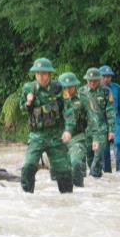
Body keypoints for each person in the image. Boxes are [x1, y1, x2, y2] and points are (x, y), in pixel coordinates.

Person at [20, 58, 73, 194]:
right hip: (36, 136)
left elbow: (69, 110)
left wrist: (68, 130)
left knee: (64, 172)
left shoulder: (58, 88)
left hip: (55, 136)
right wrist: (28, 103)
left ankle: (68, 203)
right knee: (27, 167)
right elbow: (22, 109)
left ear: (49, 74)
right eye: (38, 74)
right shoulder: (28, 88)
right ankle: (28, 199)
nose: (41, 77)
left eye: (44, 74)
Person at [59, 72, 103, 187]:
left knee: (75, 163)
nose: (68, 90)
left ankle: (79, 190)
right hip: (59, 139)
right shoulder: (55, 100)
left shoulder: (83, 99)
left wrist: (96, 138)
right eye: (65, 87)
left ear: (75, 86)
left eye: (70, 87)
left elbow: (93, 120)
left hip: (77, 138)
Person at [80, 68, 114, 178]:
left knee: (98, 157)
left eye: (94, 80)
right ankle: (96, 185)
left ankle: (95, 176)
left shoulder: (106, 92)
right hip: (87, 130)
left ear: (99, 80)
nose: (92, 83)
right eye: (90, 81)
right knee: (89, 158)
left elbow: (110, 112)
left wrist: (111, 130)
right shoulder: (81, 92)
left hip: (101, 130)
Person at [99, 65, 120, 173]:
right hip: (101, 124)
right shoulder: (94, 89)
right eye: (104, 76)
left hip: (115, 122)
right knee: (105, 152)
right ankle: (106, 176)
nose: (106, 79)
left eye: (109, 76)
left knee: (119, 146)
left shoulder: (116, 88)